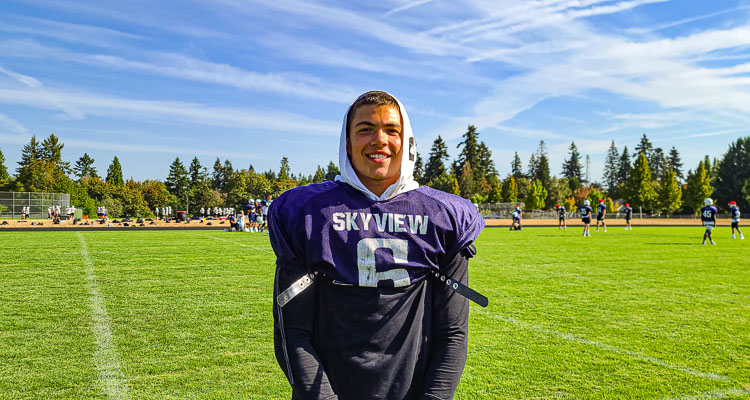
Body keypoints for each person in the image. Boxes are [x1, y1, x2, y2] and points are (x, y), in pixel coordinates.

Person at [270, 91, 485, 399]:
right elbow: (293, 330)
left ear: (407, 140)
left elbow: (452, 332)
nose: (379, 139)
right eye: (365, 129)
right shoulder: (307, 214)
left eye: (391, 130)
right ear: (347, 142)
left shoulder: (443, 217)